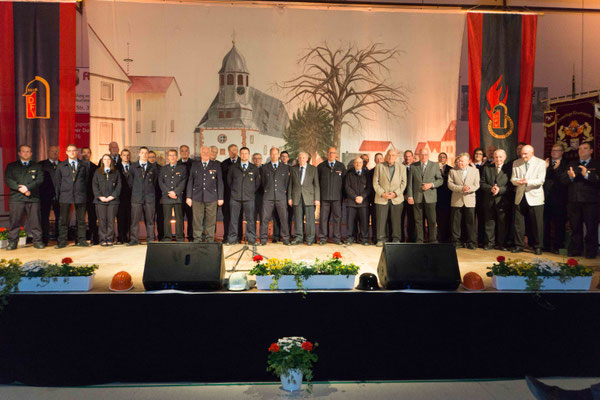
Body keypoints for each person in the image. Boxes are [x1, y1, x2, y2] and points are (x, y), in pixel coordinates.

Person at [561, 142, 599, 258]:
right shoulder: (572, 164)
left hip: (591, 202)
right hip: (574, 201)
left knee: (591, 228)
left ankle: (591, 252)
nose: (582, 151)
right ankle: (576, 250)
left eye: (585, 148)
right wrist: (571, 177)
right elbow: (562, 180)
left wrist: (587, 174)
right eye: (580, 149)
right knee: (575, 228)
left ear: (591, 151)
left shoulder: (596, 164)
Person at [4, 145, 45, 250]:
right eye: (23, 151)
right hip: (16, 199)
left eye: (28, 151)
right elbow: (8, 180)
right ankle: (12, 243)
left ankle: (38, 241)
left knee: (36, 221)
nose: (26, 153)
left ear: (31, 154)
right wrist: (20, 189)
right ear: (19, 153)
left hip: (33, 198)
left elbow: (40, 179)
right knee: (15, 222)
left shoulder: (37, 166)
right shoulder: (11, 166)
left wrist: (27, 188)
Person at [510, 144, 546, 254]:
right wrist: (518, 182)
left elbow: (541, 180)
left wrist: (527, 182)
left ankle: (538, 246)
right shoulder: (516, 163)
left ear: (532, 153)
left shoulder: (541, 163)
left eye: (525, 154)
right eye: (522, 153)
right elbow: (513, 179)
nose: (523, 156)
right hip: (520, 196)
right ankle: (518, 245)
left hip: (535, 197)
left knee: (536, 223)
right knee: (518, 223)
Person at [55, 144, 90, 248]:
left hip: (80, 195)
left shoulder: (83, 165)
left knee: (81, 220)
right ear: (66, 152)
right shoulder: (61, 165)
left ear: (77, 152)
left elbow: (86, 180)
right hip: (65, 196)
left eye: (74, 150)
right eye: (70, 151)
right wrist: (59, 197)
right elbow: (58, 182)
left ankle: (81, 240)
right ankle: (62, 241)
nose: (72, 152)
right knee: (63, 220)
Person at [186, 146, 224, 243]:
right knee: (197, 219)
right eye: (204, 152)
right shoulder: (195, 165)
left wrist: (220, 197)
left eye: (207, 152)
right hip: (197, 197)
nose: (206, 153)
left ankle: (210, 238)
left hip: (212, 197)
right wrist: (188, 196)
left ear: (210, 153)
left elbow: (219, 182)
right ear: (201, 153)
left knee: (211, 220)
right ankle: (197, 238)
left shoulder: (216, 165)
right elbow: (190, 181)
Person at [407, 148, 443, 243]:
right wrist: (410, 196)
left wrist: (431, 185)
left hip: (430, 198)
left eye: (425, 155)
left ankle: (432, 239)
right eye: (422, 154)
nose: (423, 157)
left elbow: (440, 180)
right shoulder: (413, 166)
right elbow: (410, 183)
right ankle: (419, 239)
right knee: (418, 221)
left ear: (429, 155)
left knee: (432, 220)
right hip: (417, 197)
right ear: (418, 155)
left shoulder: (434, 165)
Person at [373, 149, 407, 246]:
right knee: (381, 220)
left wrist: (395, 193)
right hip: (381, 198)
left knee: (396, 220)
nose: (391, 157)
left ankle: (396, 238)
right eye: (389, 155)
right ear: (386, 156)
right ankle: (381, 239)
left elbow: (403, 183)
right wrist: (382, 193)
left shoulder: (402, 167)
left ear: (396, 157)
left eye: (393, 155)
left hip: (396, 198)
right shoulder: (379, 166)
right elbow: (375, 182)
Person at [226, 147, 260, 245]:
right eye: (242, 153)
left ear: (249, 155)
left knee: (250, 219)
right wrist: (235, 191)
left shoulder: (254, 168)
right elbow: (229, 181)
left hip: (249, 198)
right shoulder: (233, 167)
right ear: (240, 155)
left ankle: (252, 240)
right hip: (235, 197)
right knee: (234, 219)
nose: (244, 155)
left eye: (246, 153)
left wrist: (250, 191)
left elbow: (257, 183)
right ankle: (232, 239)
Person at [480, 149, 511, 251]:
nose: (498, 159)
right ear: (493, 157)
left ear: (505, 157)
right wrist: (490, 188)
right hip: (489, 200)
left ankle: (502, 244)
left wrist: (500, 190)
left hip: (503, 200)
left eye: (500, 157)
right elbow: (482, 183)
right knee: (489, 222)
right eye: (496, 157)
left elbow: (511, 185)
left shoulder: (509, 169)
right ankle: (490, 243)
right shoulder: (487, 168)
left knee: (503, 223)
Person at [259, 147, 291, 245]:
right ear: (270, 155)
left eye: (276, 154)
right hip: (268, 197)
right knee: (265, 218)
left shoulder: (285, 168)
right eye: (272, 154)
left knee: (284, 218)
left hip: (281, 197)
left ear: (279, 155)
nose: (274, 156)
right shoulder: (264, 167)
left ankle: (286, 239)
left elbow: (286, 182)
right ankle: (263, 239)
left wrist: (281, 191)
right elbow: (264, 182)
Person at [448, 153, 480, 249]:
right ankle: (456, 242)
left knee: (470, 222)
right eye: (459, 161)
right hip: (457, 200)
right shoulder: (452, 171)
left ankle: (471, 242)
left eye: (463, 161)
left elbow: (477, 185)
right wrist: (461, 188)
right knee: (455, 223)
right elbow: (450, 184)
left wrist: (468, 188)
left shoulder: (475, 171)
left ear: (468, 161)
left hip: (469, 200)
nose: (461, 163)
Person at [128, 147, 158, 246]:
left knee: (150, 220)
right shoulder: (133, 166)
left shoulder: (153, 167)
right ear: (139, 154)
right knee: (134, 220)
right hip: (136, 197)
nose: (144, 155)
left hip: (149, 198)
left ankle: (151, 240)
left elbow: (154, 182)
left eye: (146, 153)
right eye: (142, 153)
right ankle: (134, 240)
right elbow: (130, 183)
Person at [288, 152, 319, 245]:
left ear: (307, 159)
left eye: (303, 158)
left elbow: (316, 185)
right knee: (297, 219)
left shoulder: (313, 169)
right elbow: (290, 185)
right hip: (296, 197)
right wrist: (289, 198)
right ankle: (299, 238)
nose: (301, 160)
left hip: (309, 197)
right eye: (300, 158)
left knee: (310, 220)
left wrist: (317, 198)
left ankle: (310, 238)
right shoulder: (293, 169)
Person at [543, 143, 569, 253]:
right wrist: (545, 168)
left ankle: (558, 246)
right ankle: (545, 245)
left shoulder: (566, 164)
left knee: (559, 224)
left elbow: (563, 180)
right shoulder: (545, 163)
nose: (554, 152)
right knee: (545, 223)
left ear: (562, 152)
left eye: (557, 150)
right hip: (545, 198)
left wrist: (554, 169)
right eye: (553, 150)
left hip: (560, 199)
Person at [317, 147, 346, 245]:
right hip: (324, 198)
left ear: (336, 154)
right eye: (329, 153)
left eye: (333, 153)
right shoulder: (321, 166)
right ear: (327, 154)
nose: (331, 155)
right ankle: (322, 238)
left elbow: (344, 183)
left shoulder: (341, 166)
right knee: (323, 218)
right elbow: (317, 183)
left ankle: (337, 238)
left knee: (337, 218)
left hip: (337, 198)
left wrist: (344, 197)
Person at [159, 149, 188, 242]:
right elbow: (161, 182)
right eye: (170, 155)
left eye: (174, 155)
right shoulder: (163, 169)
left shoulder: (182, 168)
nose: (172, 157)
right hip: (166, 197)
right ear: (168, 157)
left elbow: (184, 181)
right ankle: (167, 237)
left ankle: (180, 237)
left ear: (177, 157)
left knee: (179, 218)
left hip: (178, 197)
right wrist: (169, 192)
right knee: (166, 219)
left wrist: (175, 192)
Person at [92, 154, 121, 246]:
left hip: (113, 201)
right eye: (105, 159)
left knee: (111, 221)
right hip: (100, 201)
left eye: (108, 159)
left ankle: (110, 239)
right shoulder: (97, 172)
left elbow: (118, 186)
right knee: (102, 221)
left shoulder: (116, 172)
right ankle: (103, 239)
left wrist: (111, 197)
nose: (107, 161)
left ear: (111, 161)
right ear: (102, 161)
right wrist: (100, 197)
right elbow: (95, 186)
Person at [345, 157, 372, 245]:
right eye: (356, 162)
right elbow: (347, 187)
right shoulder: (349, 174)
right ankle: (350, 238)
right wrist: (355, 197)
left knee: (364, 222)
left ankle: (364, 239)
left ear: (362, 164)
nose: (358, 164)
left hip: (363, 202)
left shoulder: (367, 174)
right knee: (350, 222)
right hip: (352, 202)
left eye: (360, 162)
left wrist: (362, 197)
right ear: (353, 164)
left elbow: (369, 188)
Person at [39, 145, 60, 245]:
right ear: (48, 152)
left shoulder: (63, 164)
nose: (54, 153)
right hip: (45, 196)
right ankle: (44, 240)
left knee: (61, 218)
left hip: (60, 196)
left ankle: (60, 239)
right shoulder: (41, 165)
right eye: (52, 151)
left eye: (56, 151)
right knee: (44, 218)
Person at [221, 144, 240, 242]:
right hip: (227, 195)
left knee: (239, 217)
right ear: (228, 151)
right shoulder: (223, 164)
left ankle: (238, 237)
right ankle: (226, 236)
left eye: (235, 150)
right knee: (227, 216)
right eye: (232, 150)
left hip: (239, 195)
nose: (234, 152)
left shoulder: (242, 162)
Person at [81, 147, 99, 245]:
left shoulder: (95, 167)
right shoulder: (77, 165)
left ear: (90, 154)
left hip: (91, 197)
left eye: (88, 152)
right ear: (81, 153)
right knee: (80, 219)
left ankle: (94, 239)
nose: (86, 154)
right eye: (84, 152)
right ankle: (80, 239)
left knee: (92, 218)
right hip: (80, 196)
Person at [178, 145, 194, 241]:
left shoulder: (194, 163)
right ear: (180, 152)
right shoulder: (177, 163)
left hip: (191, 195)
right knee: (179, 217)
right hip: (179, 195)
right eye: (182, 151)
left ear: (189, 152)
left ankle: (191, 236)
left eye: (186, 151)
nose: (184, 152)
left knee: (191, 217)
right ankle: (180, 236)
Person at [116, 149, 132, 245]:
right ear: (121, 156)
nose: (126, 157)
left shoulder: (133, 167)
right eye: (124, 155)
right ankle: (121, 237)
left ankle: (128, 237)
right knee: (120, 218)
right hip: (120, 197)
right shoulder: (116, 167)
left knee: (130, 218)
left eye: (128, 155)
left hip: (131, 197)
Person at [436, 152, 452, 243]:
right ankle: (439, 237)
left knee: (446, 218)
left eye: (443, 157)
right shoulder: (434, 168)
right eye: (440, 157)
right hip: (436, 196)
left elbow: (449, 181)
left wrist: (442, 171)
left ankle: (446, 238)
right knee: (437, 218)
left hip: (446, 197)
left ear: (446, 159)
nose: (442, 159)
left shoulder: (450, 169)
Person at [148, 150, 164, 241]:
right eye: (150, 157)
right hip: (149, 197)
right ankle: (151, 236)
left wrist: (162, 195)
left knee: (160, 218)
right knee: (150, 219)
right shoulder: (145, 168)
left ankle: (161, 236)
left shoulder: (161, 168)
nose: (152, 158)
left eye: (153, 157)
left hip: (159, 197)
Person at [471, 147, 486, 247]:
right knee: (470, 219)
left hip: (483, 196)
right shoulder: (469, 165)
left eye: (480, 154)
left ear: (483, 156)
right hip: (471, 195)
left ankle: (481, 240)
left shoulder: (487, 166)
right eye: (476, 154)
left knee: (482, 219)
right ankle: (471, 240)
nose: (478, 155)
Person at [401, 150, 416, 242]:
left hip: (412, 198)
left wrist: (410, 195)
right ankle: (401, 238)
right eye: (406, 156)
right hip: (401, 198)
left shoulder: (416, 167)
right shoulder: (400, 167)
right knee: (400, 219)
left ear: (412, 157)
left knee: (412, 220)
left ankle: (412, 238)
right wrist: (403, 195)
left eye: (409, 156)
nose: (407, 158)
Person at [252, 152, 264, 233]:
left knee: (263, 218)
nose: (257, 160)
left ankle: (263, 236)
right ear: (252, 160)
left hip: (263, 197)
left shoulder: (265, 168)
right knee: (252, 218)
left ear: (261, 159)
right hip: (252, 197)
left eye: (259, 158)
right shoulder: (250, 168)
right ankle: (252, 236)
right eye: (255, 158)